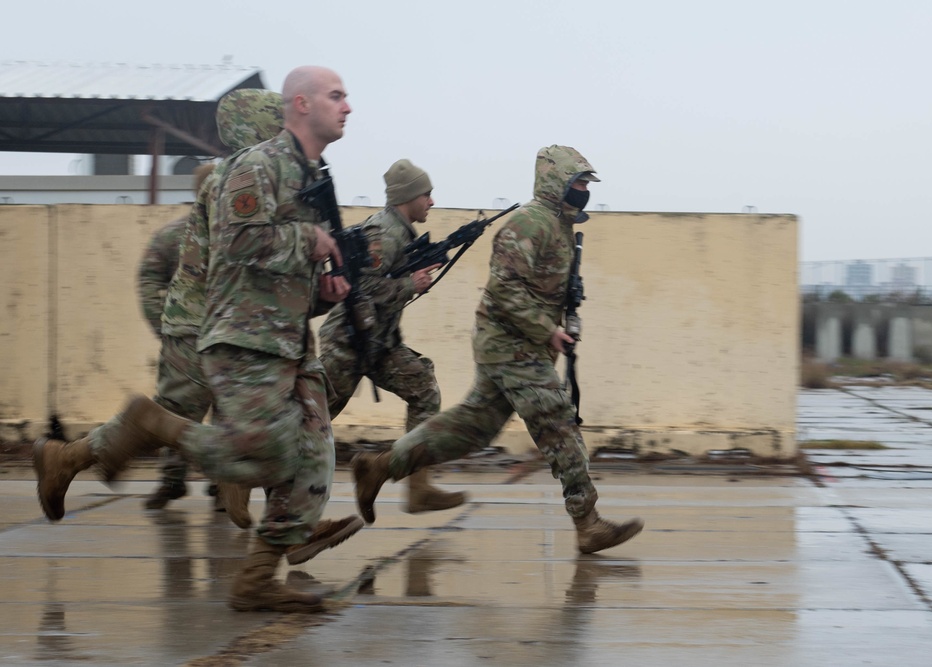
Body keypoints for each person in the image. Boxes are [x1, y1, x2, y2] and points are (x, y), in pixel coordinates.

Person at [34, 66, 362, 613]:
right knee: (252, 451)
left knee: (313, 452)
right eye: (336, 96)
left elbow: (287, 270)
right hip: (231, 333)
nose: (347, 106)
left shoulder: (307, 177)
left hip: (282, 337)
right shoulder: (251, 170)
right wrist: (166, 317)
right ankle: (124, 439)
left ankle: (265, 567)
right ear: (298, 106)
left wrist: (327, 292)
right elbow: (235, 247)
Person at [352, 145, 644, 555]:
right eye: (578, 182)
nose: (583, 190)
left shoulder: (557, 226)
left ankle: (380, 466)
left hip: (517, 344)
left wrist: (560, 321)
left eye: (586, 183)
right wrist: (547, 329)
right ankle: (588, 522)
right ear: (556, 181)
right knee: (557, 423)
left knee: (471, 428)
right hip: (510, 343)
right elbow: (503, 289)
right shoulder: (529, 223)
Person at [318, 159, 465, 515]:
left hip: (378, 342)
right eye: (426, 194)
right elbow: (359, 288)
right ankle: (239, 472)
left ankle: (416, 487)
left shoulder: (400, 232)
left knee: (424, 389)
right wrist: (408, 284)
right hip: (348, 343)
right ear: (409, 196)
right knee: (311, 421)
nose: (431, 201)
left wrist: (411, 275)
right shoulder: (384, 233)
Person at [137, 162, 225, 512]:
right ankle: (174, 481)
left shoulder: (226, 235)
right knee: (177, 411)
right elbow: (149, 280)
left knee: (213, 414)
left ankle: (220, 485)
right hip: (192, 339)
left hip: (224, 339)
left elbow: (148, 281)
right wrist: (164, 326)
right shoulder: (177, 235)